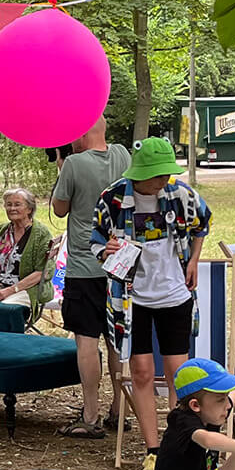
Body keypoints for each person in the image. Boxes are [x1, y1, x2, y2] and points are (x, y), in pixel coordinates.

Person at [91, 137, 211, 470]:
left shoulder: (181, 194)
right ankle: (154, 451)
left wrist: (194, 260)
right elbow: (94, 240)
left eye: (166, 175)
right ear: (141, 174)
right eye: (158, 175)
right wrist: (105, 250)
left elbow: (203, 223)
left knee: (178, 374)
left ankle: (178, 446)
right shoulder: (113, 198)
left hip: (174, 295)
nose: (163, 181)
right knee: (141, 372)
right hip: (132, 299)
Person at [52, 117, 131, 439]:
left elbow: (60, 209)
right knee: (115, 340)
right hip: (119, 266)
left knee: (86, 340)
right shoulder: (123, 155)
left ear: (83, 134)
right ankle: (119, 410)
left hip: (84, 266)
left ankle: (90, 414)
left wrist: (62, 169)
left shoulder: (73, 164)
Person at [0, 188, 54, 313]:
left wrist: (10, 290)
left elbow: (43, 271)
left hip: (25, 289)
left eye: (17, 204)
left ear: (29, 209)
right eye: (9, 204)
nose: (12, 208)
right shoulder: (2, 230)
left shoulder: (41, 234)